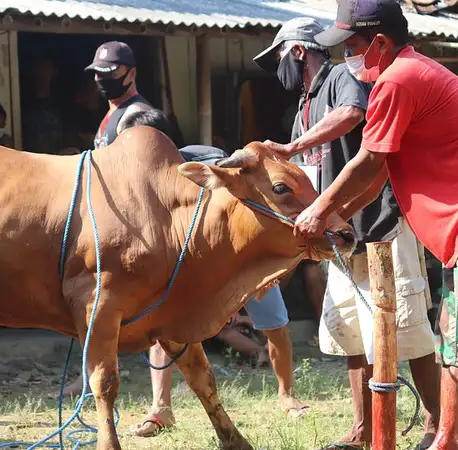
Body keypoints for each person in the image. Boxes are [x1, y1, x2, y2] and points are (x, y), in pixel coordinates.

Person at [293, 2, 458, 449]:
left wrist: (319, 207)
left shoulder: (398, 80)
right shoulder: (404, 74)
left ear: (380, 43)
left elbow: (367, 162)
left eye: (351, 47)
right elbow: (381, 174)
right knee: (455, 333)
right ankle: (448, 438)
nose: (345, 57)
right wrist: (340, 216)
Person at [255, 18, 441, 450]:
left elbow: (352, 114)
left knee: (406, 330)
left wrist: (293, 148)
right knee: (352, 334)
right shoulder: (302, 108)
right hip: (337, 237)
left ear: (299, 51)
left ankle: (436, 424)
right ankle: (363, 428)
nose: (276, 69)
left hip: (380, 223)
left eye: (279, 57)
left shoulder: (342, 75)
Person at [104, 108, 308, 437]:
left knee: (275, 325)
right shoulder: (142, 184)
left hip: (244, 260)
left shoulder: (208, 163)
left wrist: (270, 271)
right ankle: (160, 409)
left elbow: (269, 216)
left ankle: (287, 394)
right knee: (162, 325)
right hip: (192, 266)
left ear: (156, 140)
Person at [84, 41, 153, 149]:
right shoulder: (114, 110)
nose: (103, 79)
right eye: (99, 74)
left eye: (111, 74)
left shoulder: (135, 114)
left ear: (132, 74)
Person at [22, 58, 64, 154]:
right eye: (40, 69)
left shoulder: (59, 103)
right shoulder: (25, 104)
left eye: (47, 69)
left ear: (54, 72)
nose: (43, 74)